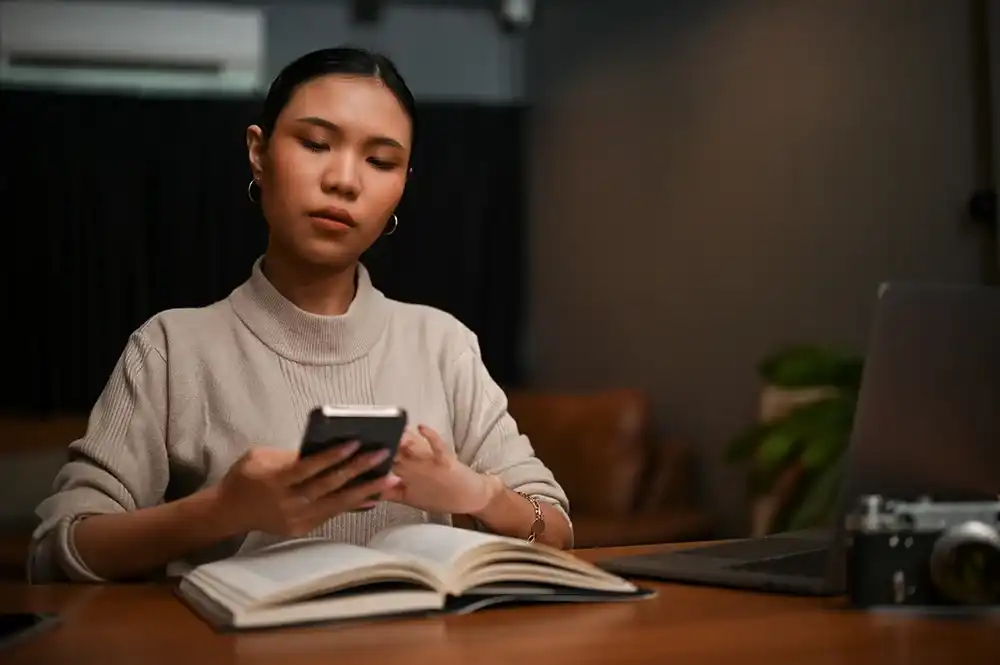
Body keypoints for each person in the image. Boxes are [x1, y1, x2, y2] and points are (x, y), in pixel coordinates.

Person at [28, 46, 572, 583]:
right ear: (258, 153)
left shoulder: (443, 343)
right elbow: (58, 549)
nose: (344, 180)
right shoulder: (172, 348)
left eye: (380, 161)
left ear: (403, 184)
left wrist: (474, 492)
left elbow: (556, 530)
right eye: (315, 143)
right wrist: (222, 509)